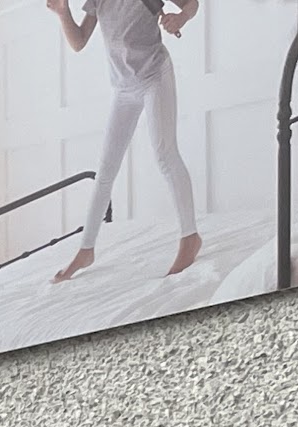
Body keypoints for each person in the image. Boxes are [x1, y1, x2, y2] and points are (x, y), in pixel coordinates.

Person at [49, 0, 201, 281]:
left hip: (155, 75)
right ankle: (86, 249)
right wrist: (63, 12)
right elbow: (78, 41)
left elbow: (192, 4)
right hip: (123, 88)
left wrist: (181, 18)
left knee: (165, 154)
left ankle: (190, 237)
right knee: (105, 171)